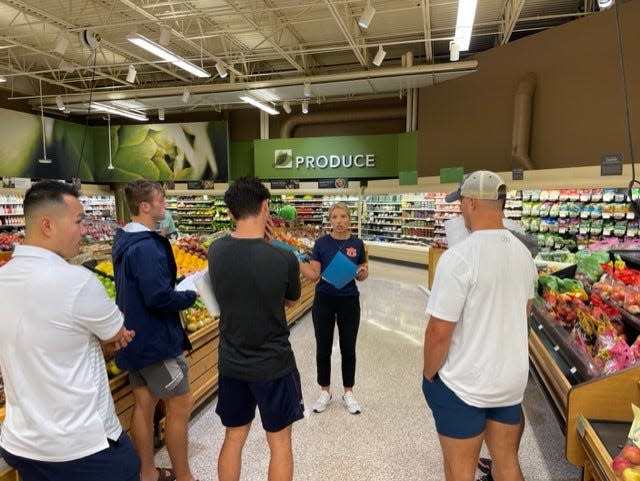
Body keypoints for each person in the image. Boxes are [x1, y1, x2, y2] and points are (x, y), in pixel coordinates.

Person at [0, 180, 139, 481]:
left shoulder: (3, 278)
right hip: (81, 445)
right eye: (78, 221)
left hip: (23, 443)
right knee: (130, 467)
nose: (84, 230)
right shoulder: (77, 281)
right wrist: (106, 339)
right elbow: (117, 332)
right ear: (47, 225)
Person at [422, 170, 538, 481]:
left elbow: (438, 332)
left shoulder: (459, 257)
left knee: (460, 471)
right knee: (507, 463)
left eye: (460, 201)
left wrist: (429, 374)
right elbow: (524, 311)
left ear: (472, 202)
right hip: (508, 383)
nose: (459, 208)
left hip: (465, 383)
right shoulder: (524, 254)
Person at [207, 177, 303, 481]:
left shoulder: (216, 251)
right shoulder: (283, 257)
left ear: (231, 212)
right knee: (279, 443)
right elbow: (290, 300)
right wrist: (270, 244)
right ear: (266, 206)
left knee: (233, 438)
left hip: (232, 363)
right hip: (274, 364)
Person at [112, 180, 198, 481]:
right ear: (145, 206)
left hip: (134, 338)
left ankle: (147, 473)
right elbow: (158, 296)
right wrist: (191, 294)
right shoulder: (147, 246)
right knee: (181, 404)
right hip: (156, 340)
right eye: (161, 200)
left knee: (144, 405)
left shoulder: (124, 240)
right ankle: (185, 476)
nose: (166, 204)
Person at [298, 202, 368, 415]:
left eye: (343, 216)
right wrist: (294, 261)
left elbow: (364, 273)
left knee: (349, 348)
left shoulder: (357, 243)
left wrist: (361, 272)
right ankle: (324, 391)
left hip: (349, 300)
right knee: (323, 347)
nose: (339, 221)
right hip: (324, 300)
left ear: (349, 219)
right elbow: (314, 275)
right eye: (335, 217)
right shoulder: (321, 244)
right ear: (330, 220)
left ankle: (348, 392)